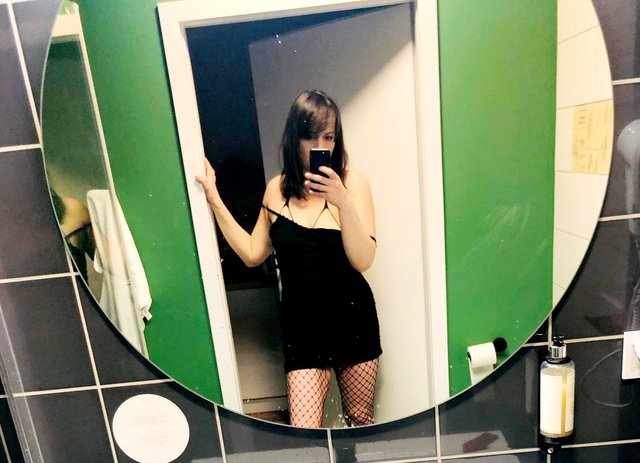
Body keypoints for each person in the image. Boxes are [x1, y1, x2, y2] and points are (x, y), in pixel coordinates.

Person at [196, 89, 382, 428]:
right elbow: (252, 254)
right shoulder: (276, 190)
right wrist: (214, 199)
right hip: (302, 325)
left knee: (359, 422)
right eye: (310, 136)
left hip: (352, 318)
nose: (320, 146)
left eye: (329, 137)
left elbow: (363, 260)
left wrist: (342, 201)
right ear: (294, 139)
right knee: (304, 434)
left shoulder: (353, 184)